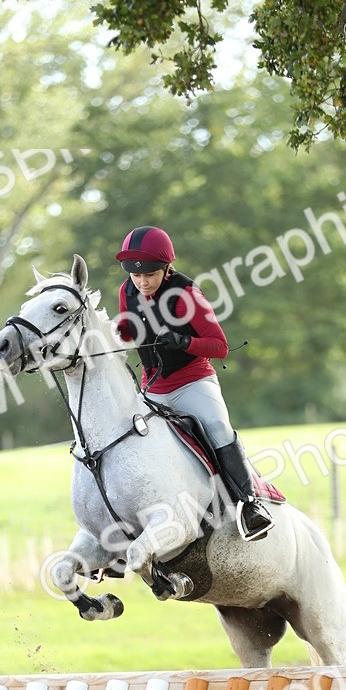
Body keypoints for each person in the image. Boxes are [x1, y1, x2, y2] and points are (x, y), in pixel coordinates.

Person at [115, 225, 274, 541]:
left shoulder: (188, 294)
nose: (142, 281)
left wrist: (182, 340)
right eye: (136, 276)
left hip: (193, 383)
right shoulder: (127, 291)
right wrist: (119, 332)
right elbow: (128, 328)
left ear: (166, 268)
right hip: (152, 388)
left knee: (217, 427)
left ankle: (250, 505)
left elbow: (219, 346)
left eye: (149, 274)